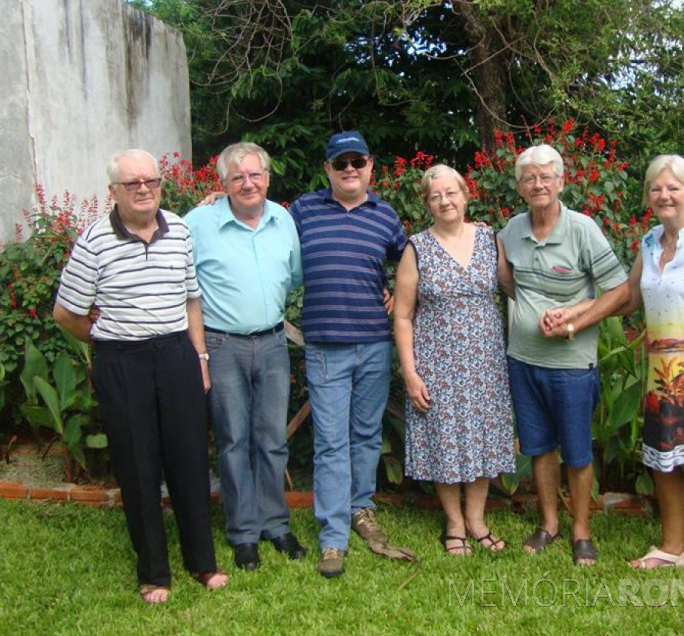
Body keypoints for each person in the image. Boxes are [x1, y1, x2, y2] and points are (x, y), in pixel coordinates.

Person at [544, 154, 684, 591]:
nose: (665, 195)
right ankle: (673, 548)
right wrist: (575, 316)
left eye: (674, 187)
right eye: (656, 188)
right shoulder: (651, 241)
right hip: (663, 373)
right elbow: (628, 296)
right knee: (665, 463)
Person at [52, 149, 227, 604]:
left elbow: (192, 299)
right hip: (121, 361)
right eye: (132, 184)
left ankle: (202, 562)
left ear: (161, 186)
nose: (144, 189)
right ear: (113, 191)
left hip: (177, 354)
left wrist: (201, 357)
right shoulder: (93, 241)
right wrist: (107, 339)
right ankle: (154, 572)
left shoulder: (180, 230)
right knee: (138, 465)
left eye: (151, 181)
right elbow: (66, 314)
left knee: (189, 460)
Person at [289, 130, 417, 578]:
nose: (349, 169)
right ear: (327, 168)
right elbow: (264, 230)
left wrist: (397, 297)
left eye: (356, 162)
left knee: (365, 435)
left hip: (375, 345)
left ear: (370, 166)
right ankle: (332, 534)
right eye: (339, 162)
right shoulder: (303, 210)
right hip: (326, 346)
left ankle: (361, 508)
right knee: (330, 442)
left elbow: (411, 265)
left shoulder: (385, 216)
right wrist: (215, 203)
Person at [497, 144, 630, 567]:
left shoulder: (582, 229)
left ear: (560, 181)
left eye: (545, 177)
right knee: (538, 448)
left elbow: (621, 291)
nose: (538, 184)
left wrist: (574, 319)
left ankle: (581, 530)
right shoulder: (511, 231)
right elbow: (507, 283)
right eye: (529, 178)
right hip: (522, 359)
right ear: (519, 187)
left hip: (571, 365)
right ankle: (549, 522)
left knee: (576, 451)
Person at [184, 142, 305, 571]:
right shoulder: (197, 223)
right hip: (221, 345)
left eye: (255, 175)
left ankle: (276, 524)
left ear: (268, 179)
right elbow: (182, 283)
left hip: (273, 344)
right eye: (237, 177)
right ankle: (243, 533)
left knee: (272, 439)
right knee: (234, 441)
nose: (248, 183)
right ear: (223, 184)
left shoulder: (283, 219)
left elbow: (292, 276)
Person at [392, 164, 515, 556]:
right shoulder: (416, 248)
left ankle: (477, 519)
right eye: (435, 195)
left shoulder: (489, 239)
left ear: (466, 195)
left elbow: (514, 288)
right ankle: (454, 523)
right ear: (427, 204)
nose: (445, 200)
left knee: (479, 439)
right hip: (437, 365)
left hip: (485, 363)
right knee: (444, 441)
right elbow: (403, 315)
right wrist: (410, 373)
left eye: (451, 193)